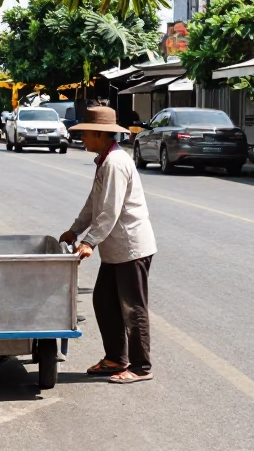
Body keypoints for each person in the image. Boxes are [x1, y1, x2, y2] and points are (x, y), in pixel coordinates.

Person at [59, 107, 157, 385]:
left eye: (86, 134)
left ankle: (140, 367)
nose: (83, 139)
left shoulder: (115, 162)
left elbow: (110, 211)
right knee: (104, 301)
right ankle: (115, 357)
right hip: (115, 249)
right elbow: (94, 203)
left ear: (101, 134)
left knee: (132, 308)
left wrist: (89, 241)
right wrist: (74, 230)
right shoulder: (105, 160)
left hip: (130, 247)